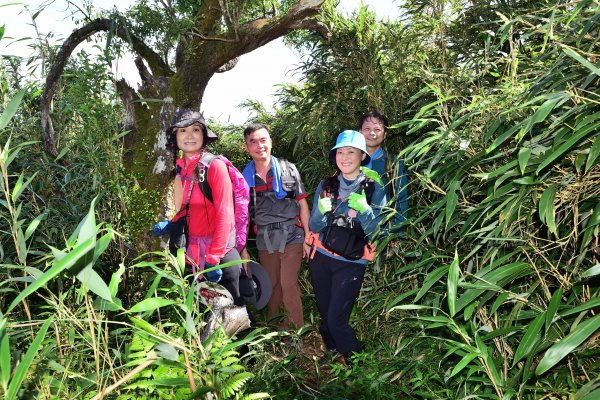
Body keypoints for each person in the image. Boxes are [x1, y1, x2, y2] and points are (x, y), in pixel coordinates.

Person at [306, 130, 387, 363]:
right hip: (321, 257)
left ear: (362, 155)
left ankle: (358, 362)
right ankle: (334, 352)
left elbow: (378, 233)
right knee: (326, 316)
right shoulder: (326, 185)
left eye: (351, 152)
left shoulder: (374, 188)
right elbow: (314, 225)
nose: (345, 157)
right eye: (340, 152)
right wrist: (321, 212)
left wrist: (366, 211)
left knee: (336, 319)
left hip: (351, 262)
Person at [165, 108, 245, 306]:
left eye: (196, 130)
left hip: (218, 257)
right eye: (182, 131)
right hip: (192, 255)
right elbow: (185, 208)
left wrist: (214, 257)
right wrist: (171, 223)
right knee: (199, 317)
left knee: (231, 319)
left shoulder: (214, 166)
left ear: (204, 135)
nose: (189, 135)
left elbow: (225, 213)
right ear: (175, 137)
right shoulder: (181, 169)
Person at [240, 123, 310, 329]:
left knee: (288, 283)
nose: (259, 145)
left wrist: (308, 237)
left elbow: (303, 203)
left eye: (263, 140)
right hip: (265, 238)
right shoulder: (244, 179)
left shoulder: (289, 169)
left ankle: (295, 331)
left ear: (270, 142)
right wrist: (243, 250)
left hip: (292, 234)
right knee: (271, 285)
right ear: (247, 147)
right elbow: (243, 218)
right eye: (253, 141)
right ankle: (275, 328)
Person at [359, 110, 408, 235]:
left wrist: (397, 235)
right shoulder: (348, 158)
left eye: (377, 129)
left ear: (385, 134)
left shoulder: (393, 163)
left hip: (381, 230)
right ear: (359, 132)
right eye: (367, 129)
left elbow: (401, 200)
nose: (372, 133)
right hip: (351, 227)